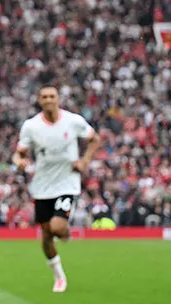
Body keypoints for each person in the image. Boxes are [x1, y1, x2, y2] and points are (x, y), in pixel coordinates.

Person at [12, 85, 104, 293]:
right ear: (39, 100)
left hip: (67, 183)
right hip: (42, 185)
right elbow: (20, 153)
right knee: (45, 237)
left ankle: (64, 230)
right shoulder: (31, 126)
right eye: (44, 96)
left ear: (58, 99)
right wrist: (19, 161)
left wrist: (84, 161)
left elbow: (95, 139)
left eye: (52, 96)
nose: (48, 100)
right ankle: (59, 276)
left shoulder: (73, 121)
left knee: (56, 227)